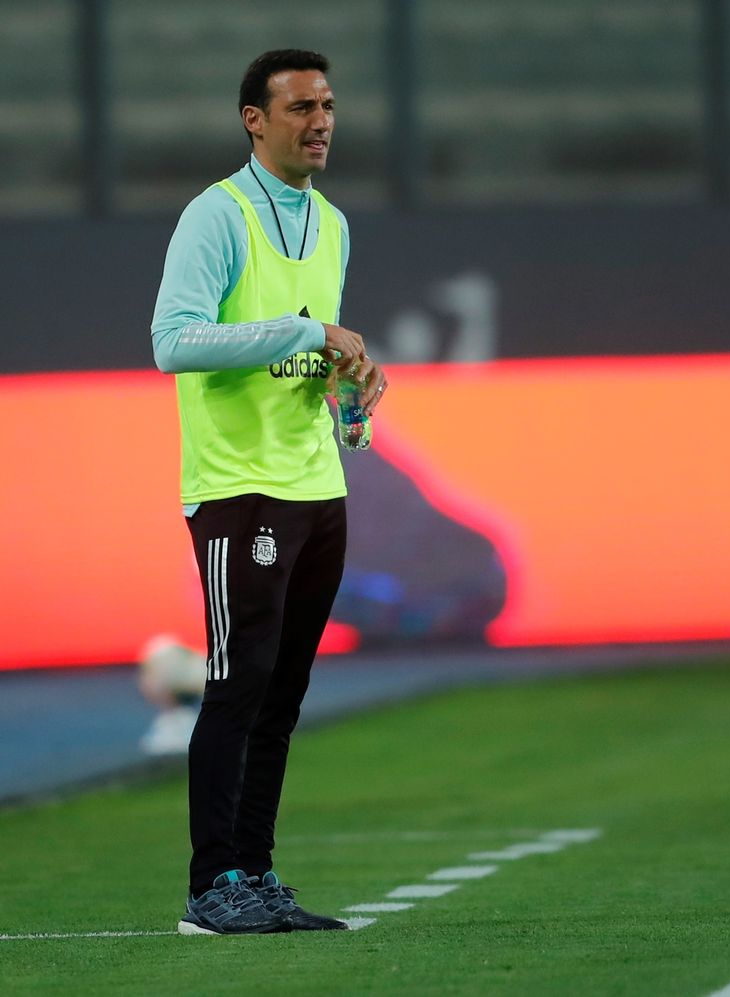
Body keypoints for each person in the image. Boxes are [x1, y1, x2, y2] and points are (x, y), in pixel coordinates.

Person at [151, 49, 387, 936]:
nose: (319, 120)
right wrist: (307, 329)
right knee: (236, 685)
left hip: (315, 485)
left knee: (282, 695)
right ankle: (212, 887)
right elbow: (175, 341)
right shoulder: (217, 215)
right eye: (299, 107)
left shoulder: (331, 223)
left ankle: (255, 871)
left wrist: (351, 391)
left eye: (326, 104)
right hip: (238, 488)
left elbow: (310, 357)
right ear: (255, 119)